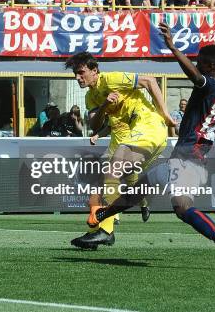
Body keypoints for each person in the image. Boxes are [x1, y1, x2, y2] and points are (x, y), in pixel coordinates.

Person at [87, 23, 215, 270]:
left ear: (211, 67)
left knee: (182, 207)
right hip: (183, 158)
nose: (196, 65)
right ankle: (104, 214)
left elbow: (195, 76)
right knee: (141, 188)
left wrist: (172, 47)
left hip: (189, 158)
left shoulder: (209, 86)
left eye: (200, 62)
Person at [66, 52, 175, 249]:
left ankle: (106, 230)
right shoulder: (91, 97)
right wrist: (105, 104)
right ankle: (97, 232)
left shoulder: (111, 78)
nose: (77, 77)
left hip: (149, 126)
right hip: (136, 135)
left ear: (94, 70)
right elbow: (95, 124)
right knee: (104, 182)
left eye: (81, 72)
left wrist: (165, 114)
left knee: (113, 171)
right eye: (75, 73)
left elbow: (150, 81)